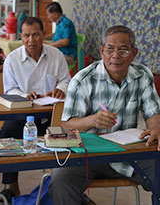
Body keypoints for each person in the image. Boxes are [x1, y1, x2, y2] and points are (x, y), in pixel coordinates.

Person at [49, 25, 160, 205]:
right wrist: (92, 120)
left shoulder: (143, 75)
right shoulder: (83, 80)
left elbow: (153, 112)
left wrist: (156, 129)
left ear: (134, 53)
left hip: (128, 153)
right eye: (110, 49)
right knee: (61, 181)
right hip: (89, 153)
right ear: (101, 51)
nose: (115, 55)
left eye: (123, 49)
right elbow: (67, 125)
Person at [0, 17, 71, 203]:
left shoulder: (56, 55)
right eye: (27, 35)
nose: (31, 40)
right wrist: (24, 96)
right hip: (22, 114)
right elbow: (10, 90)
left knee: (69, 138)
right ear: (20, 37)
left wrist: (61, 89)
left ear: (43, 35)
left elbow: (66, 80)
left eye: (36, 34)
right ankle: (12, 187)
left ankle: (61, 184)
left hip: (51, 115)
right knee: (6, 134)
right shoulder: (12, 59)